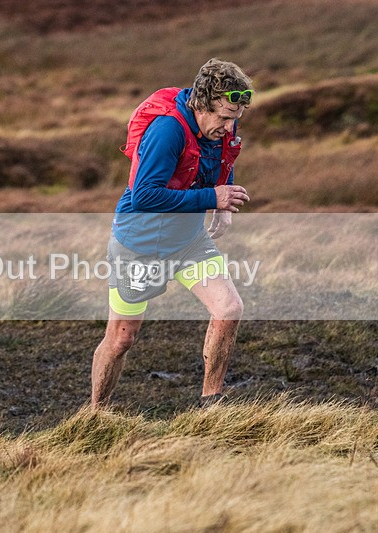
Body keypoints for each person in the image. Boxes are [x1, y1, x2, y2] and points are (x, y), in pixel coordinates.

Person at [91, 58, 253, 409]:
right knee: (121, 339)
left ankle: (212, 404)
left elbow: (222, 161)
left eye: (234, 119)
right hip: (139, 243)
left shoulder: (219, 130)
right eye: (223, 117)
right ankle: (95, 414)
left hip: (188, 241)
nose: (228, 127)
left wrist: (222, 204)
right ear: (201, 104)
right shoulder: (167, 130)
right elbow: (146, 196)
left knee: (229, 308)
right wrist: (212, 197)